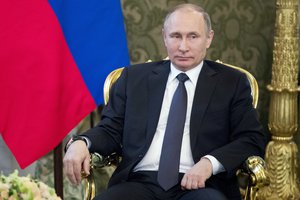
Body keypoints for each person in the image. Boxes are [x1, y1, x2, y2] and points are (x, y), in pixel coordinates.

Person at [63, 3, 266, 200]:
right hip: (138, 182)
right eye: (176, 36)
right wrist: (81, 142)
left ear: (208, 39)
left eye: (193, 36)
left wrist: (209, 164)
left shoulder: (231, 82)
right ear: (164, 37)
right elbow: (110, 129)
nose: (183, 46)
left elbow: (251, 139)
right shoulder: (134, 79)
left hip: (202, 184)